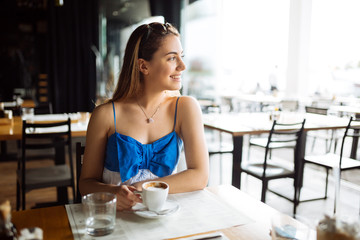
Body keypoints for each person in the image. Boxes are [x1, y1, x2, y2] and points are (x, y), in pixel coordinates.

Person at [79, 22, 209, 211]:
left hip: (165, 216)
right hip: (118, 218)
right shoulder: (105, 115)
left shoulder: (186, 108)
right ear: (143, 66)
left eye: (181, 57)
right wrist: (113, 193)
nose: (182, 66)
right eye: (172, 58)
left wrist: (146, 187)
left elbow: (200, 176)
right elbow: (85, 184)